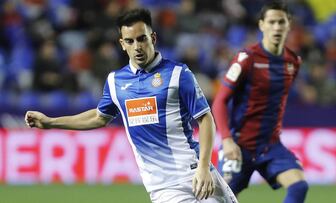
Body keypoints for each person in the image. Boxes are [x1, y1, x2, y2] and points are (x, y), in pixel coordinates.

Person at [25, 8, 238, 203]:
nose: (137, 47)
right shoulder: (115, 82)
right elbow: (99, 117)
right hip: (164, 187)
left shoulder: (178, 74)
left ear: (152, 38)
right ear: (122, 44)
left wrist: (203, 167)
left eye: (142, 39)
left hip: (196, 171)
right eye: (130, 41)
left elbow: (205, 118)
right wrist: (51, 122)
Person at [212, 1, 308, 203]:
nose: (276, 27)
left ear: (289, 24)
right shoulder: (247, 58)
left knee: (299, 186)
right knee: (221, 200)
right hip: (239, 146)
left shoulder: (293, 62)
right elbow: (220, 101)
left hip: (270, 146)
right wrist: (227, 140)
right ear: (261, 25)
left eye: (281, 22)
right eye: (271, 22)